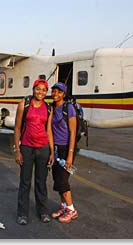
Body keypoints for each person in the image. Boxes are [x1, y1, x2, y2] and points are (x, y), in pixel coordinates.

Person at [14, 79, 54, 225]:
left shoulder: (49, 107)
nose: (41, 92)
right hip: (26, 147)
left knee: (41, 182)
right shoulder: (23, 105)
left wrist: (52, 151)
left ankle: (43, 211)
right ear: (33, 89)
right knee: (25, 182)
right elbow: (17, 128)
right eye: (38, 89)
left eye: (44, 90)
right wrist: (17, 150)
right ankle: (22, 214)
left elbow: (48, 130)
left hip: (43, 148)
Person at [50, 82, 79, 223]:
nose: (55, 94)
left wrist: (70, 155)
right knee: (57, 180)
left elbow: (73, 132)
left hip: (66, 148)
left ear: (64, 94)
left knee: (63, 181)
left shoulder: (69, 108)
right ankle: (63, 207)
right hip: (54, 149)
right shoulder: (52, 107)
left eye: (59, 92)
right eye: (54, 91)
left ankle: (72, 210)